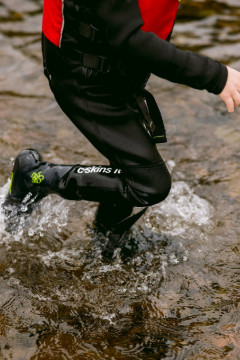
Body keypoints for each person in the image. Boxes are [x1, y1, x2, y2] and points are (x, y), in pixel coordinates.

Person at [3, 0, 240, 248]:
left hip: (118, 66)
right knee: (150, 184)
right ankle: (36, 177)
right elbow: (130, 40)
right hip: (82, 76)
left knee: (130, 163)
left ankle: (106, 241)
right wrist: (216, 77)